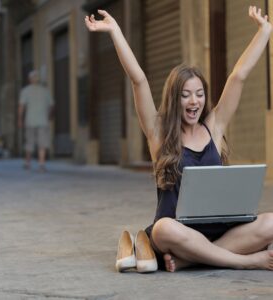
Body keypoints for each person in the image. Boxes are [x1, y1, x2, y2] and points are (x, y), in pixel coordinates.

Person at [85, 6, 273, 272]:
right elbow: (138, 80)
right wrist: (115, 31)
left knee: (271, 223)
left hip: (220, 233)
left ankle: (190, 259)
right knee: (162, 229)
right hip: (178, 233)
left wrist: (265, 32)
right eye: (186, 94)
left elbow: (238, 76)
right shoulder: (159, 133)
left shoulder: (214, 128)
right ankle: (244, 261)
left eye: (199, 94)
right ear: (175, 98)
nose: (194, 101)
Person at [18, 70, 54, 172]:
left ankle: (27, 162)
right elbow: (51, 106)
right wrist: (50, 116)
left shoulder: (25, 91)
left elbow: (21, 106)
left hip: (30, 121)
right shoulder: (45, 91)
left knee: (29, 141)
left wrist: (20, 119)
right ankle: (41, 164)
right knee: (42, 143)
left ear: (29, 80)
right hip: (43, 120)